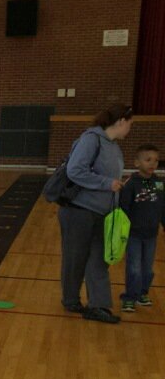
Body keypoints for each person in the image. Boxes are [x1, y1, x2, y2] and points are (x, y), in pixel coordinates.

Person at [58, 103, 134, 323]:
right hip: (79, 211)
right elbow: (75, 170)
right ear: (121, 121)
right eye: (130, 124)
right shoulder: (91, 139)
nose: (130, 128)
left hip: (103, 213)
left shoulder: (114, 146)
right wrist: (106, 183)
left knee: (100, 259)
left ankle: (99, 305)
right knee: (75, 258)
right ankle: (71, 300)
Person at [119, 144, 162, 312]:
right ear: (137, 162)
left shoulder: (159, 183)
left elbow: (162, 206)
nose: (152, 163)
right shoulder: (131, 184)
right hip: (134, 235)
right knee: (134, 268)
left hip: (151, 235)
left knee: (147, 268)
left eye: (156, 160)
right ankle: (130, 297)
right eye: (148, 160)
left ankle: (142, 293)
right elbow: (124, 208)